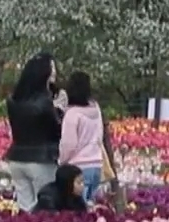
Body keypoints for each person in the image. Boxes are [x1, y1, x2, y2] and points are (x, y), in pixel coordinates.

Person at [6, 54, 63, 211]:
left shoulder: (14, 100)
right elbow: (56, 131)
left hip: (17, 157)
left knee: (25, 208)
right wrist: (59, 111)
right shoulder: (45, 101)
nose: (55, 72)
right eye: (52, 68)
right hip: (41, 159)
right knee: (45, 206)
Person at [57, 71, 107, 205]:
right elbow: (100, 136)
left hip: (77, 169)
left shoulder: (72, 114)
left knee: (78, 209)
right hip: (96, 164)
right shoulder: (96, 110)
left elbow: (69, 144)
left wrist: (61, 161)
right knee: (91, 207)